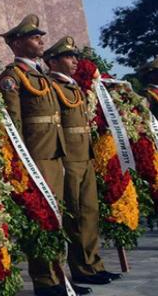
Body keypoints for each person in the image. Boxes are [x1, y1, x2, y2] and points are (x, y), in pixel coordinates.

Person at [0, 15, 90, 296]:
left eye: (40, 36)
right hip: (34, 159)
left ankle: (58, 278)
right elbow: (13, 125)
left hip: (54, 155)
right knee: (42, 219)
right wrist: (19, 165)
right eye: (34, 37)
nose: (40, 41)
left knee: (56, 219)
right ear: (16, 43)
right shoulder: (12, 78)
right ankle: (45, 281)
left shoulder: (42, 77)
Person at [44, 37, 122, 287]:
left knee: (89, 213)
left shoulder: (74, 87)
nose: (75, 61)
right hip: (67, 159)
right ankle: (80, 268)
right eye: (69, 57)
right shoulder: (51, 87)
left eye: (75, 56)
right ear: (52, 61)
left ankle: (92, 264)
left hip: (85, 156)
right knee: (74, 216)